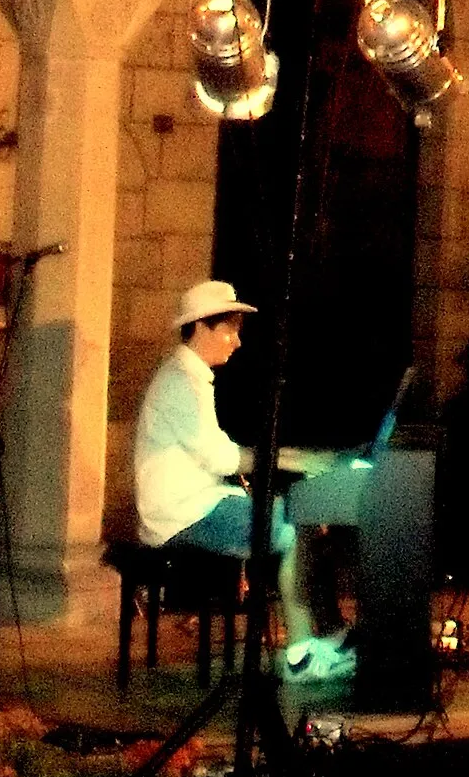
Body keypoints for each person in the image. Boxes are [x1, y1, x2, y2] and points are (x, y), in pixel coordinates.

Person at [132, 277, 351, 682]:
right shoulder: (181, 381)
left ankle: (332, 635)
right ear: (200, 327)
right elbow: (221, 456)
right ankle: (301, 657)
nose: (237, 341)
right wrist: (293, 459)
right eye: (230, 329)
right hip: (181, 514)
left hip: (197, 501)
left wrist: (291, 458)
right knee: (289, 528)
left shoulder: (189, 377)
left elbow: (217, 453)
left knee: (304, 519)